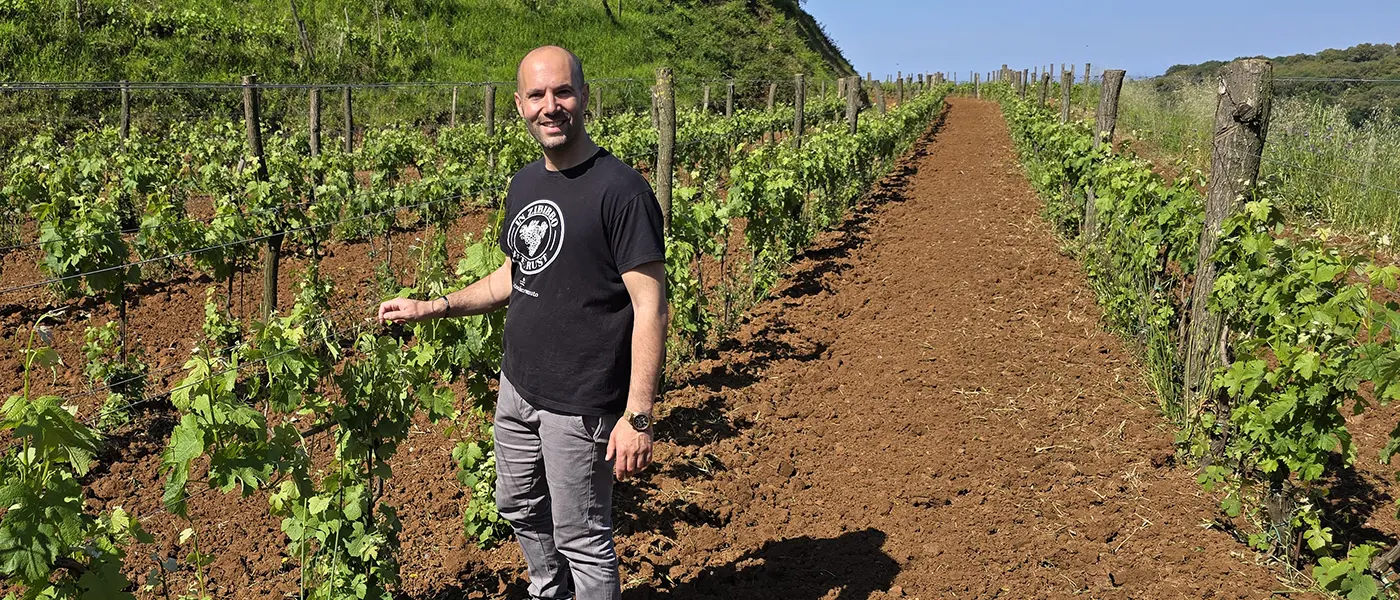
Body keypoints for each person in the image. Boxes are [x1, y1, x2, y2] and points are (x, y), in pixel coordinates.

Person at [375, 45, 667, 600]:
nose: (550, 106)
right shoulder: (525, 184)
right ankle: (548, 589)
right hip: (518, 388)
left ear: (585, 97)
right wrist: (434, 306)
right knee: (517, 504)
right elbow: (514, 273)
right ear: (519, 105)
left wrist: (638, 416)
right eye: (537, 95)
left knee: (583, 537)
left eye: (563, 92)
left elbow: (651, 307)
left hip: (580, 404)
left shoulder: (622, 191)